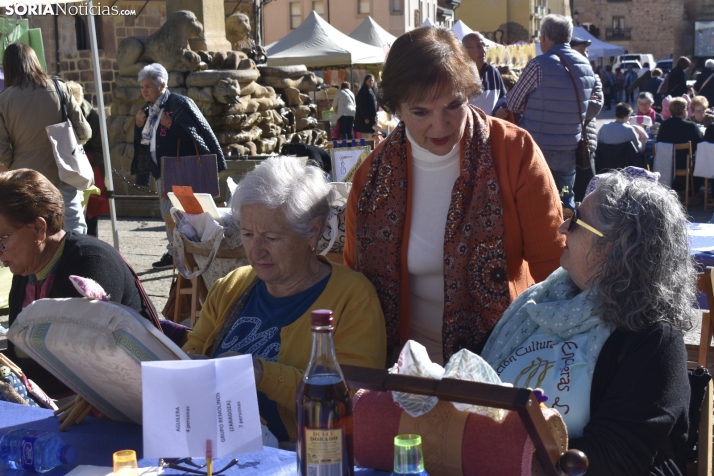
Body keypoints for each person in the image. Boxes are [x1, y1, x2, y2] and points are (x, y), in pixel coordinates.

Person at [343, 26, 565, 365]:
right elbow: (355, 284)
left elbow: (554, 271)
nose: (441, 125)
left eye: (453, 105)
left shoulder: (514, 152)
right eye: (421, 112)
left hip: (504, 362)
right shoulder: (369, 179)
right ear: (397, 109)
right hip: (404, 373)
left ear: (470, 93)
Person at [482, 168, 692, 475]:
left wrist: (495, 453)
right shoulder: (540, 302)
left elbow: (609, 459)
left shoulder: (653, 342)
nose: (563, 227)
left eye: (577, 219)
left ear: (609, 251)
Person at [183, 156, 386, 444]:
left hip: (298, 455)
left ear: (312, 231)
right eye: (247, 234)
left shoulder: (351, 298)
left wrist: (261, 374)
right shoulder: (230, 286)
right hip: (210, 445)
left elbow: (351, 400)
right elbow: (192, 351)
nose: (256, 251)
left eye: (272, 238)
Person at [0, 169, 165, 396]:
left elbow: (78, 368)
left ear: (39, 228)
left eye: (2, 238)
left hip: (128, 404)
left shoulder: (89, 261)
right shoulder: (26, 271)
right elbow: (20, 357)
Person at [131, 63, 226, 270]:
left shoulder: (180, 103)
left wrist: (171, 125)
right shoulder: (148, 110)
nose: (144, 91)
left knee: (189, 213)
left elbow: (196, 136)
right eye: (141, 87)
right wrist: (138, 128)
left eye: (148, 86)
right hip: (163, 172)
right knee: (169, 214)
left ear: (162, 85)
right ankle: (173, 251)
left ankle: (193, 250)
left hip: (183, 170)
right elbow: (146, 143)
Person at [506, 14, 597, 211]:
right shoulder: (586, 67)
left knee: (535, 202)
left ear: (544, 36)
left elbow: (512, 102)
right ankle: (566, 238)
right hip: (569, 148)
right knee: (564, 198)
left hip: (537, 147)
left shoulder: (538, 65)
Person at [0, 43, 92, 234]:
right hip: (63, 170)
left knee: (34, 235)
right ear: (35, 61)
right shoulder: (60, 87)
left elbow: (1, 151)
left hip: (26, 178)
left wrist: (16, 163)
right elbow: (84, 132)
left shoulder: (3, 100)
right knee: (73, 232)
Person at [66, 81, 109, 238]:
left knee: (90, 218)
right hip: (68, 172)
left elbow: (100, 151)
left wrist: (78, 154)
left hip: (89, 171)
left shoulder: (92, 117)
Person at [570, 37, 603, 202]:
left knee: (588, 196)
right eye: (581, 51)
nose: (586, 55)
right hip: (563, 144)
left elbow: (594, 108)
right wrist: (584, 99)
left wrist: (566, 104)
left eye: (586, 51)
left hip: (585, 145)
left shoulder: (593, 77)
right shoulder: (561, 76)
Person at [462, 32, 507, 115]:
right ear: (465, 51)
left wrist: (501, 111)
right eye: (478, 47)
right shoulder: (458, 75)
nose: (483, 51)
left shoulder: (493, 72)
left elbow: (503, 99)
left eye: (484, 46)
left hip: (492, 126)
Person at [354, 74, 378, 139]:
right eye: (369, 80)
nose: (371, 82)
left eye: (372, 80)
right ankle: (367, 148)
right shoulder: (363, 91)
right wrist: (365, 117)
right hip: (366, 119)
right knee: (366, 135)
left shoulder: (372, 90)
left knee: (371, 134)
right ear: (365, 81)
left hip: (372, 117)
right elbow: (362, 105)